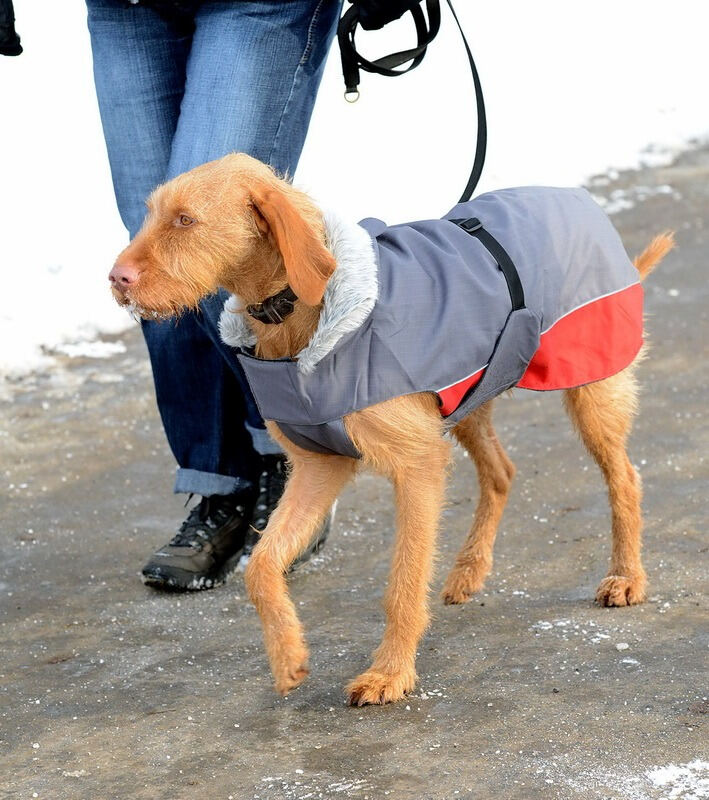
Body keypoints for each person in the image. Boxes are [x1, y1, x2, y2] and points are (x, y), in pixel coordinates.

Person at [85, 0, 342, 590]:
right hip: (122, 10)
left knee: (202, 237)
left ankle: (294, 456)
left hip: (254, 5)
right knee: (150, 259)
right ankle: (218, 483)